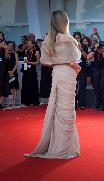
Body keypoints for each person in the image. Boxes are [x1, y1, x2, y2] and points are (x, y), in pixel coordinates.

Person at [25, 10, 81, 159]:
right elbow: (75, 57)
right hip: (68, 73)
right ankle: (64, 148)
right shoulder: (68, 40)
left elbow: (44, 61)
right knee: (67, 110)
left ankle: (58, 145)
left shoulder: (48, 40)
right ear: (65, 22)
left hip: (57, 72)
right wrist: (72, 64)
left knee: (58, 109)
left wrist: (59, 62)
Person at [87, 41, 104, 111]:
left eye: (102, 47)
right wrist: (95, 49)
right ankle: (98, 104)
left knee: (103, 86)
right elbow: (88, 57)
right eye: (99, 47)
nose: (100, 48)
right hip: (96, 69)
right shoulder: (95, 51)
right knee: (96, 86)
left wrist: (103, 52)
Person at [21, 40, 40, 106]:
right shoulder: (26, 51)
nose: (28, 45)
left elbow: (38, 62)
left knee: (33, 86)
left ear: (32, 44)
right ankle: (27, 101)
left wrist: (30, 63)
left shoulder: (36, 52)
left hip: (32, 71)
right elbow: (25, 61)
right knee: (26, 86)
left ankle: (34, 101)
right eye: (27, 44)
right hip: (26, 71)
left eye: (29, 44)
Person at [6, 41, 19, 107]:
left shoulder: (15, 54)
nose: (10, 47)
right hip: (6, 73)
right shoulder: (4, 54)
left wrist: (12, 71)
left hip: (14, 73)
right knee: (7, 87)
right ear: (7, 46)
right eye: (9, 45)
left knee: (14, 87)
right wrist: (8, 71)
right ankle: (8, 102)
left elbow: (16, 64)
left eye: (11, 46)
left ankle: (13, 102)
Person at [0, 32, 9, 110]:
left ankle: (0, 103)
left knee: (2, 84)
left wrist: (6, 49)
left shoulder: (5, 45)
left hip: (3, 67)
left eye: (1, 36)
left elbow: (6, 57)